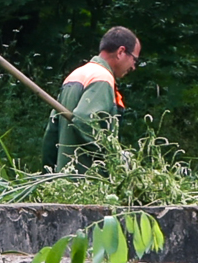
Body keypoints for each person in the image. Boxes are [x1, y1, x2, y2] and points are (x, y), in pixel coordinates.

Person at [42, 26, 141, 172]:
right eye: (134, 59)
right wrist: (112, 156)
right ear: (121, 52)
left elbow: (51, 133)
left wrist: (47, 175)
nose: (134, 67)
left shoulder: (76, 75)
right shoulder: (102, 78)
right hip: (87, 182)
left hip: (63, 183)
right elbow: (84, 119)